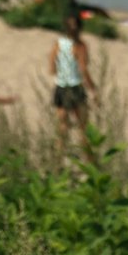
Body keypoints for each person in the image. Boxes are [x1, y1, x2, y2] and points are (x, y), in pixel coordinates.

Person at [48, 12, 95, 154]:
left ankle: (58, 160)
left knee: (62, 126)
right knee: (83, 127)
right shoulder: (81, 46)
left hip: (60, 87)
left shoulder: (58, 44)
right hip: (75, 87)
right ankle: (90, 160)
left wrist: (61, 74)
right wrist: (93, 89)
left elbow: (51, 67)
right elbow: (83, 69)